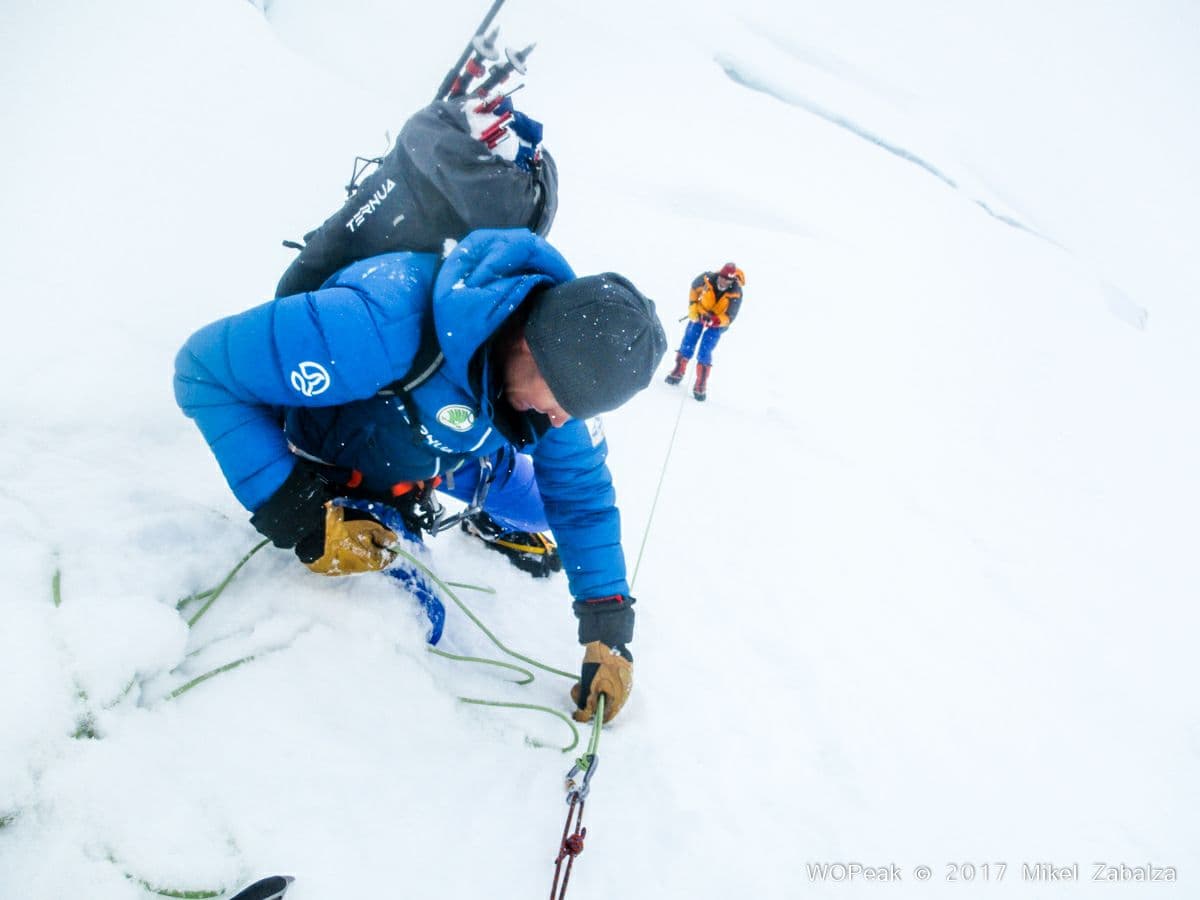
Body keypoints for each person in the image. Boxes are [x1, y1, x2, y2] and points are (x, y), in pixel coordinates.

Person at [174, 227, 667, 724]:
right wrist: (301, 516)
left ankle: (479, 510)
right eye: (560, 403)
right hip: (348, 457)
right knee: (416, 618)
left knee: (545, 506)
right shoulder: (376, 325)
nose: (559, 420)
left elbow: (582, 496)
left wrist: (607, 626)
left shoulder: (557, 381)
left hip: (451, 447)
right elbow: (202, 369)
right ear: (527, 345)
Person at [664, 262, 745, 400]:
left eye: (727, 280)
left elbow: (730, 316)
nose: (723, 281)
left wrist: (716, 320)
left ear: (732, 281)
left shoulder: (736, 293)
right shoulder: (707, 278)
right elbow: (694, 290)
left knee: (705, 349)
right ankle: (679, 369)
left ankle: (700, 383)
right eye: (722, 277)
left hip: (718, 322)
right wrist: (693, 308)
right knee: (689, 339)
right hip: (701, 313)